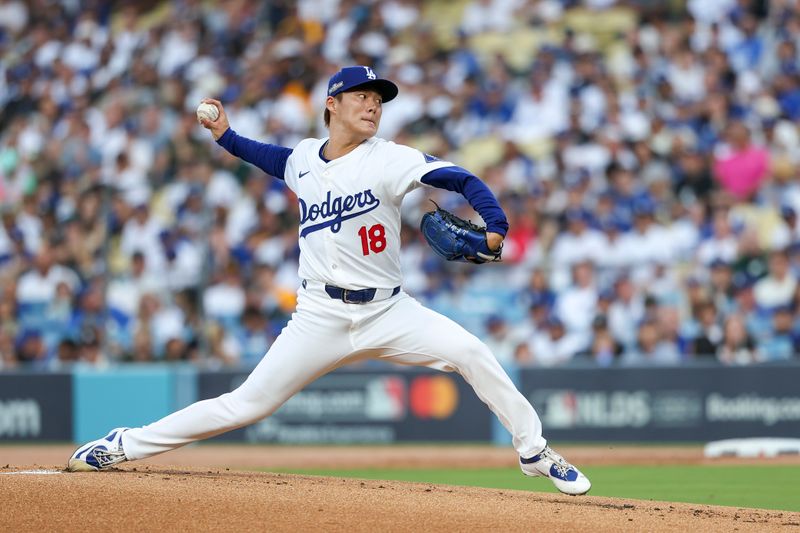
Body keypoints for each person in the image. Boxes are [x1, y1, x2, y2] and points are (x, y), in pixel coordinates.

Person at [67, 66, 590, 495]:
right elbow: (265, 157)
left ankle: (534, 452)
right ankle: (123, 444)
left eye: (378, 100)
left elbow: (461, 178)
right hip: (319, 315)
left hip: (389, 311)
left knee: (473, 352)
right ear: (331, 105)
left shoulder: (391, 158)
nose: (372, 106)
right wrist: (225, 135)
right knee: (246, 404)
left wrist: (496, 228)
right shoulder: (302, 159)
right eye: (360, 96)